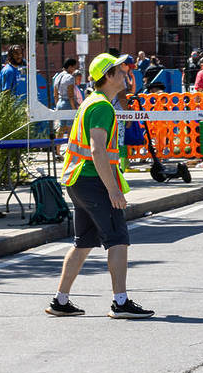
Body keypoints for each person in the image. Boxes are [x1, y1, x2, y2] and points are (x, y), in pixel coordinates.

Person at [47, 52, 154, 319]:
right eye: (120, 70)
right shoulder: (102, 107)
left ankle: (60, 301)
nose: (126, 73)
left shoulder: (92, 103)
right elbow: (97, 150)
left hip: (79, 180)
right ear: (107, 76)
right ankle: (120, 302)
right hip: (93, 180)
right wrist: (113, 190)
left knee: (83, 242)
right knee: (118, 239)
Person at [53, 58, 80, 140]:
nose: (74, 70)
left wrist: (57, 105)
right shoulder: (70, 78)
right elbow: (70, 95)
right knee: (70, 129)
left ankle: (57, 150)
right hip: (68, 104)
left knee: (61, 128)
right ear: (70, 67)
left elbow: (55, 94)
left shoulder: (57, 76)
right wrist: (74, 109)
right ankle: (70, 150)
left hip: (60, 103)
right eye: (74, 67)